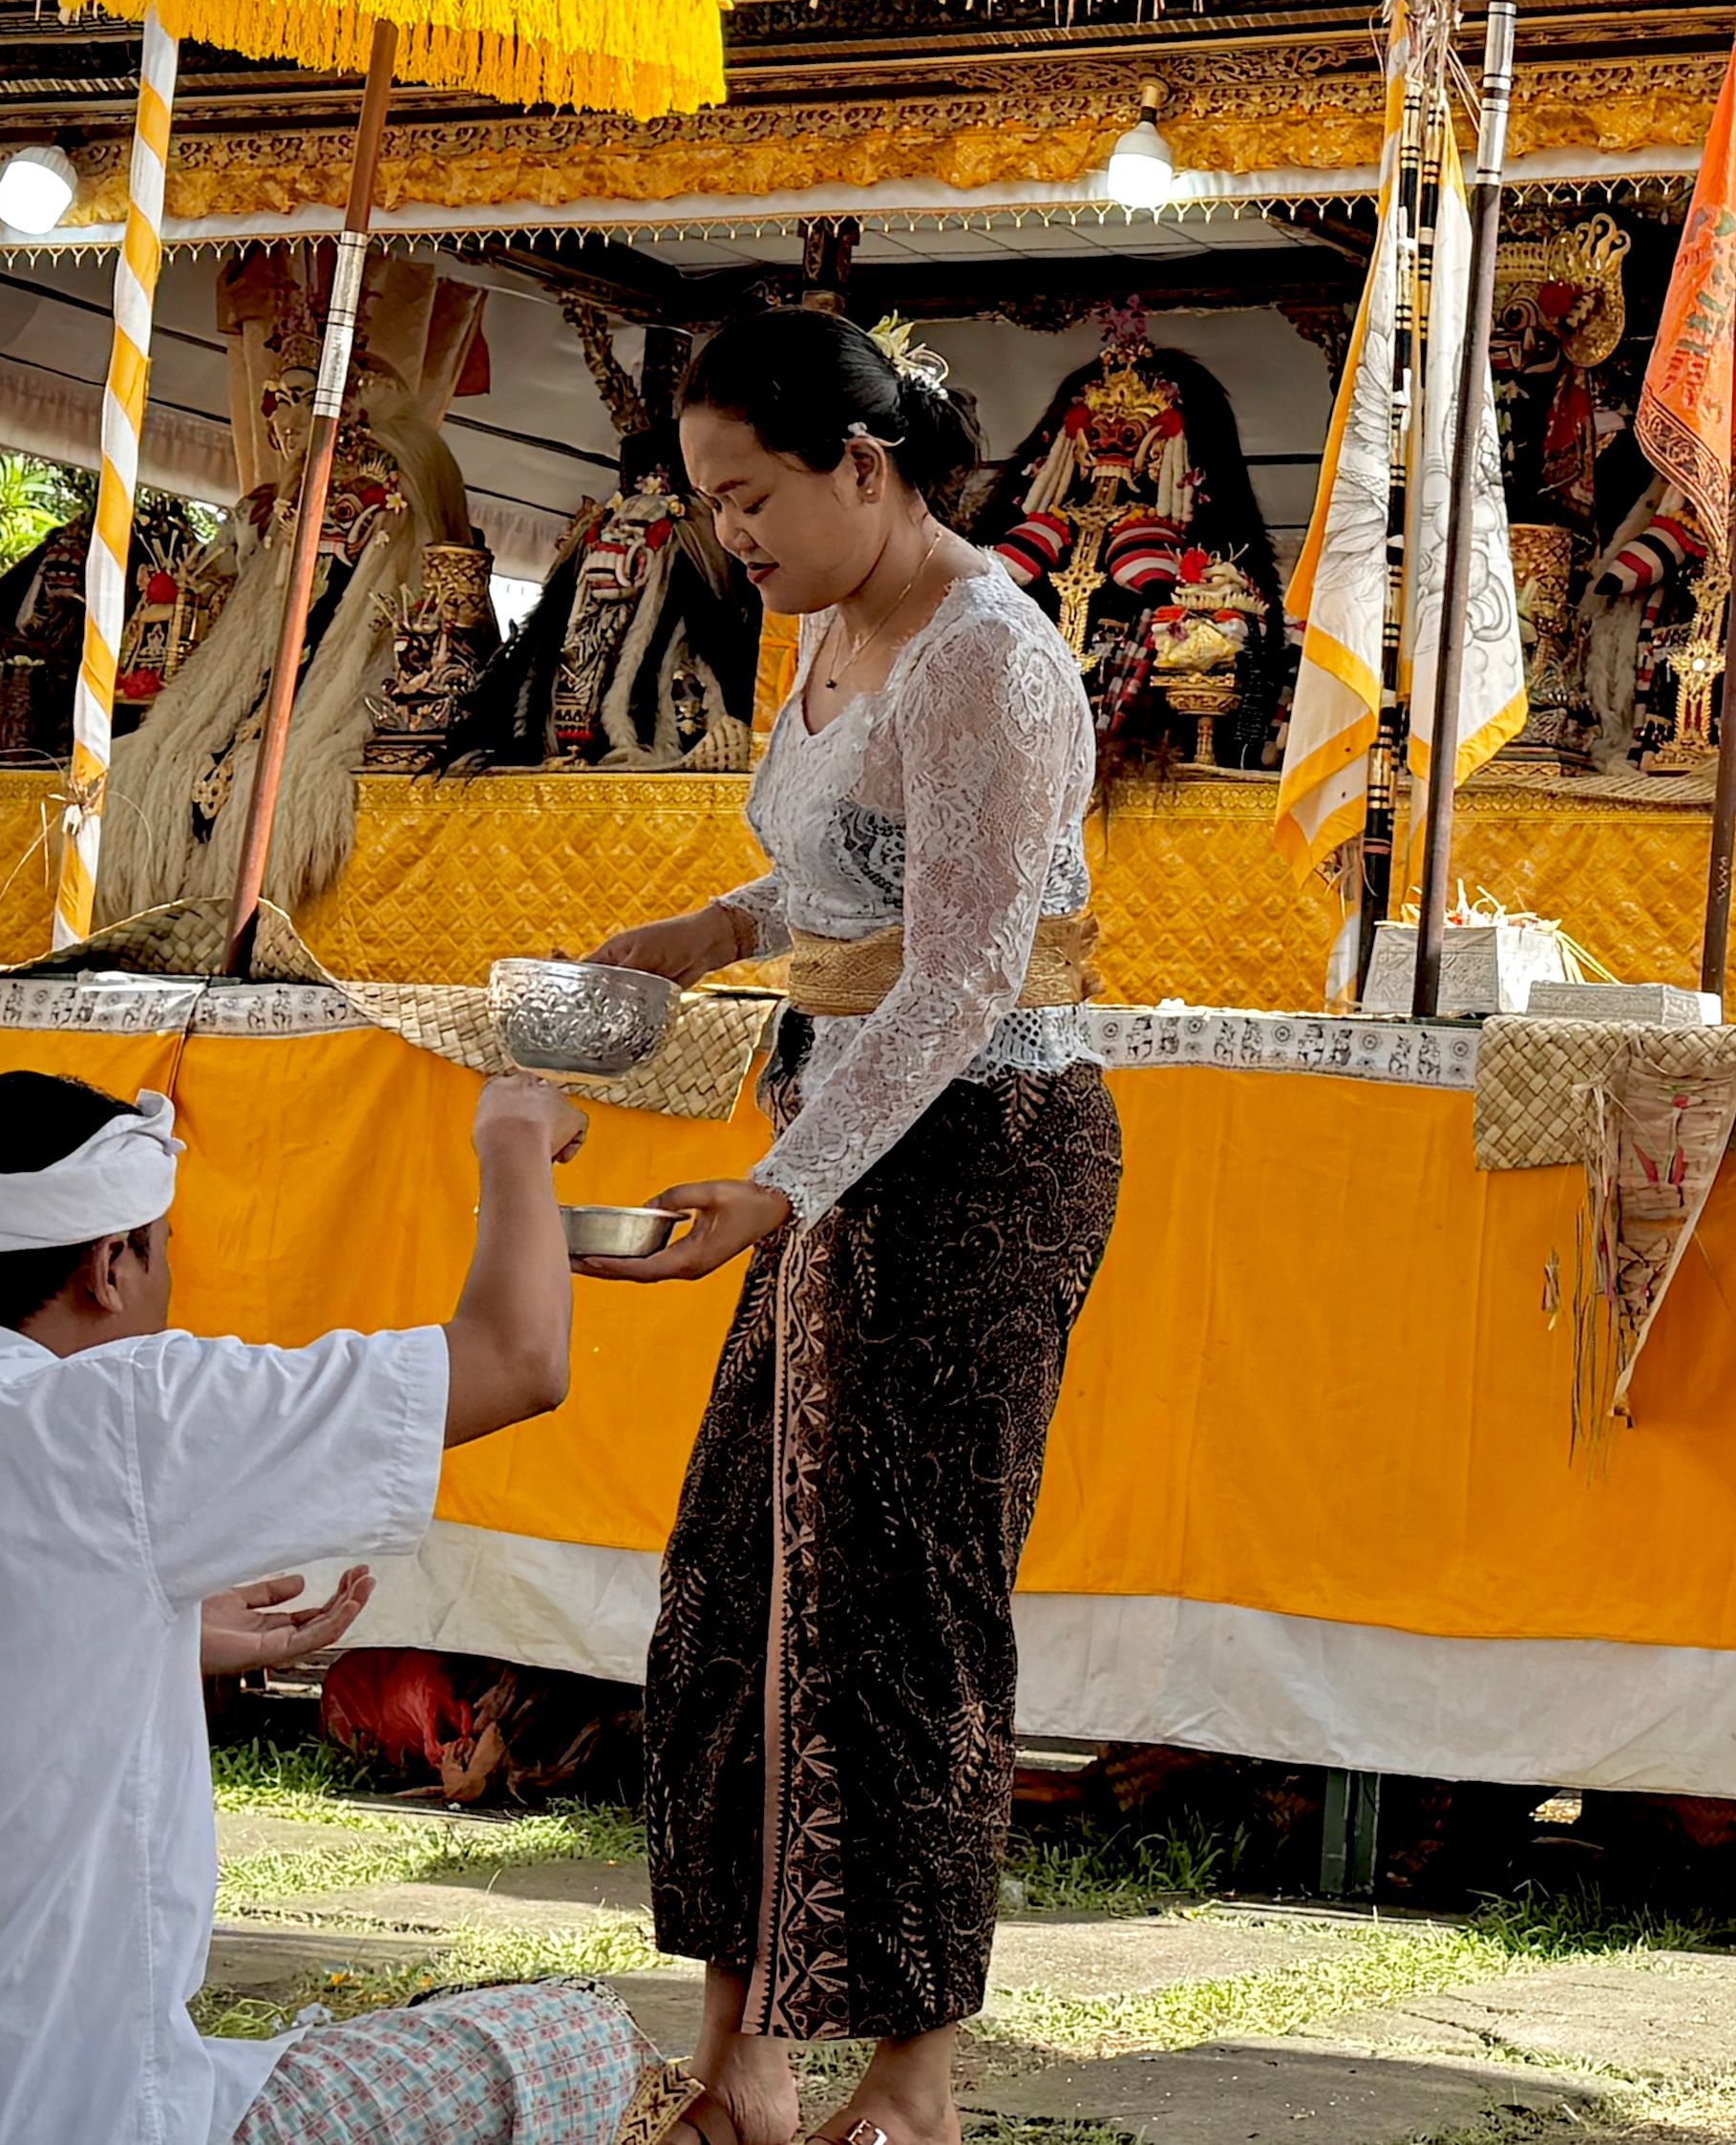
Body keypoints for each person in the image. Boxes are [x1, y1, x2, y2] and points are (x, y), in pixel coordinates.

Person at [0, 1067, 647, 2145]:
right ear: (107, 1264)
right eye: (164, 1246)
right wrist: (511, 1135)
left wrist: (148, 1630)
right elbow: (516, 1357)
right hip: (38, 2121)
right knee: (579, 2042)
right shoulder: (110, 1418)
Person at [582, 307, 1123, 2145]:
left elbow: (971, 967)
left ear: (864, 467)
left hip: (978, 1156)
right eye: (706, 502)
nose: (728, 535)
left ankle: (913, 2080)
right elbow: (849, 868)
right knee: (739, 1575)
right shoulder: (823, 621)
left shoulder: (991, 656)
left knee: (897, 1606)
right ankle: (740, 2049)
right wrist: (709, 935)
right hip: (833, 1138)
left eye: (748, 496)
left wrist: (782, 1187)